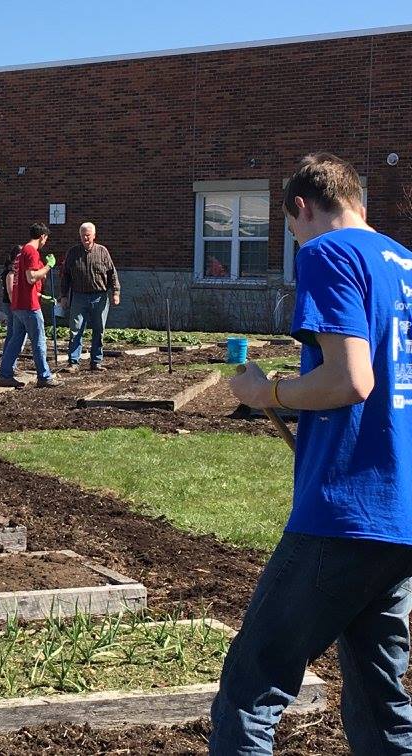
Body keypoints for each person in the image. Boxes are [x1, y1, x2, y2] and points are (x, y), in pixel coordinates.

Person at [212, 153, 412, 753]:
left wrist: (265, 391)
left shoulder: (326, 253)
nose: (295, 238)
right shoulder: (404, 263)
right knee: (381, 709)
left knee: (251, 690)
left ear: (300, 207)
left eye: (290, 226)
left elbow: (351, 382)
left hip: (345, 513)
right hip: (400, 515)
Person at [0, 223, 57, 389]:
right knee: (39, 341)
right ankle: (44, 377)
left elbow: (23, 281)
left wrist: (40, 295)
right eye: (46, 238)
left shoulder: (21, 253)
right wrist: (48, 266)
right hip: (29, 306)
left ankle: (5, 375)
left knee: (15, 341)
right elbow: (31, 277)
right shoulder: (31, 251)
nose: (45, 242)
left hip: (18, 305)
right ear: (43, 236)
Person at [58, 222, 120, 372]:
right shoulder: (73, 253)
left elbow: (112, 273)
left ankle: (96, 361)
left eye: (88, 235)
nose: (85, 238)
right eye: (82, 235)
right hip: (79, 296)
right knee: (76, 329)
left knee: (99, 329)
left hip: (99, 296)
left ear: (94, 235)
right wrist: (64, 296)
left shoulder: (102, 251)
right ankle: (74, 362)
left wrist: (116, 292)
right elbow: (65, 276)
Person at [0, 245, 28, 378]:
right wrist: (16, 306)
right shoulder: (11, 271)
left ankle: (9, 363)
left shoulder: (12, 269)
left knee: (13, 334)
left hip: (11, 304)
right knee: (14, 335)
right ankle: (10, 364)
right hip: (12, 305)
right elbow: (11, 292)